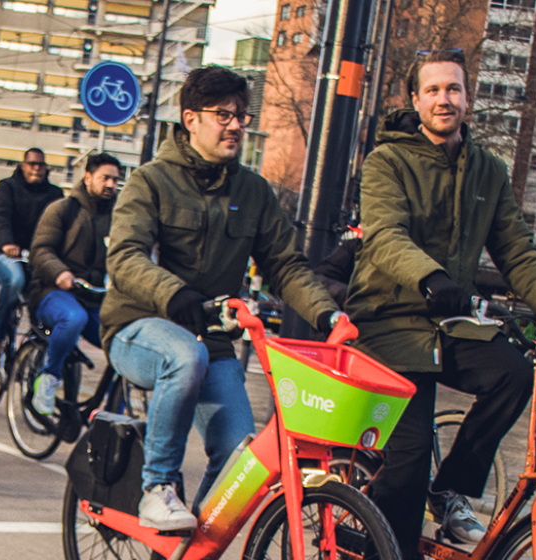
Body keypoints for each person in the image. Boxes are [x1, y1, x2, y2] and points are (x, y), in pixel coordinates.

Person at [351, 49, 536, 556]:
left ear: (468, 98)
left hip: (448, 323)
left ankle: (449, 490)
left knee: (512, 373)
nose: (445, 99)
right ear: (416, 100)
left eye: (454, 89)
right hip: (389, 322)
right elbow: (385, 236)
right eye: (434, 90)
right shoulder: (386, 161)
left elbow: (517, 252)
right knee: (411, 453)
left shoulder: (488, 170)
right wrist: (431, 278)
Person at [102, 66, 343, 531]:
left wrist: (326, 313)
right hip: (138, 327)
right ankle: (158, 488)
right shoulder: (150, 181)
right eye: (223, 115)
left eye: (241, 116)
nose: (235, 125)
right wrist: (176, 295)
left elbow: (286, 265)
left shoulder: (253, 191)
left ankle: (189, 546)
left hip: (210, 338)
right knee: (183, 355)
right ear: (190, 118)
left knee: (241, 459)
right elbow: (126, 257)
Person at [26, 152, 122, 415]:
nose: (111, 185)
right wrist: (60, 273)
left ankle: (116, 411)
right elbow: (41, 250)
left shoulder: (120, 217)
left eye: (116, 180)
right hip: (51, 292)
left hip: (95, 298)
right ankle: (49, 378)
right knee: (73, 318)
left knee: (126, 340)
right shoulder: (62, 209)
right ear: (88, 177)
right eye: (105, 178)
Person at [0, 147, 64, 366]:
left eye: (41, 165)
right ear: (22, 166)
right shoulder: (7, 187)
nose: (36, 169)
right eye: (32, 164)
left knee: (48, 293)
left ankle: (38, 348)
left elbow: (61, 227)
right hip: (3, 253)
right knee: (15, 279)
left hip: (37, 257)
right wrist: (6, 242)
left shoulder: (55, 194)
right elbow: (0, 217)